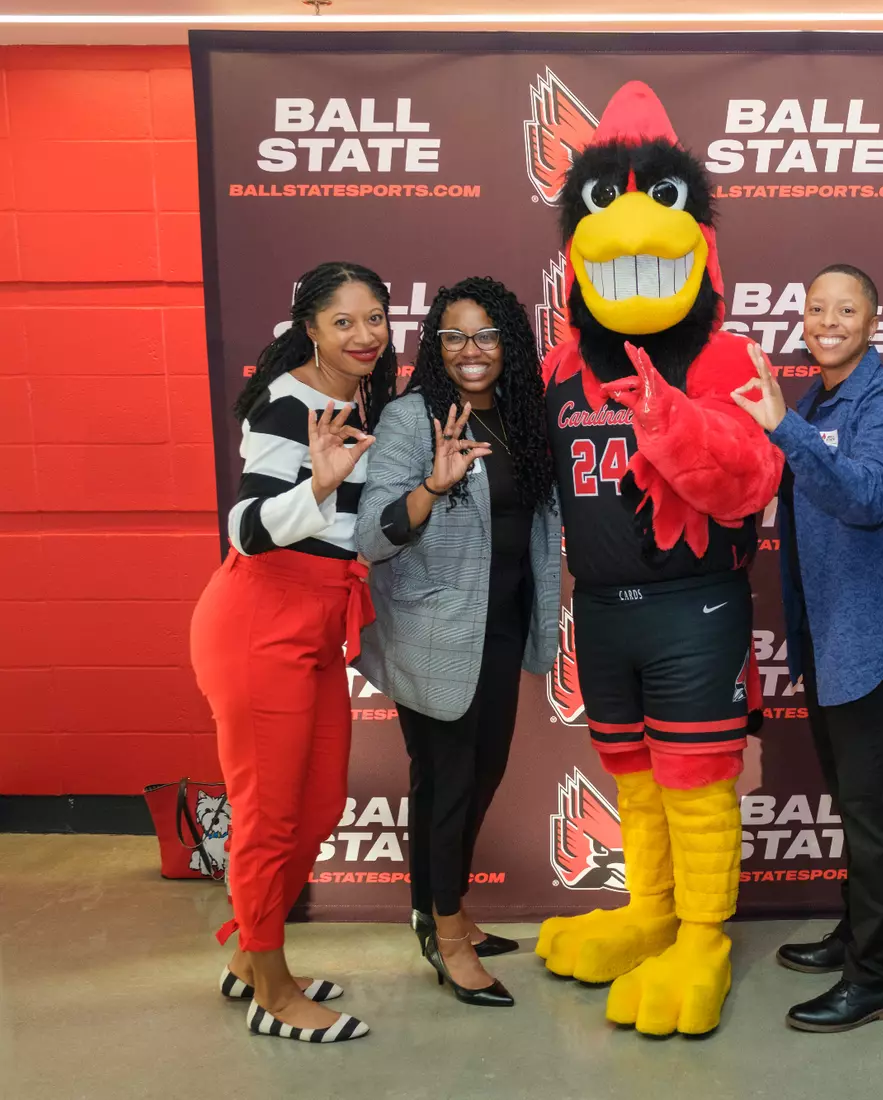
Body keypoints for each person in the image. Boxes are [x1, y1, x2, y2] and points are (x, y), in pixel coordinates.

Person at [530, 81, 784, 1038]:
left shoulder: (725, 358)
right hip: (601, 608)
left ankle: (705, 936)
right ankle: (651, 914)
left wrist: (671, 420)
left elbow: (750, 480)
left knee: (696, 781)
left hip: (695, 606)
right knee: (632, 778)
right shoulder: (562, 365)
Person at [731, 264, 883, 1033]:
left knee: (878, 814)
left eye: (845, 308)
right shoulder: (820, 399)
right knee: (856, 806)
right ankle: (861, 934)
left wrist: (782, 426)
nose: (828, 320)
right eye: (816, 307)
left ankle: (878, 977)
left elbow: (867, 496)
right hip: (833, 636)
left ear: (873, 319)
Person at [190, 261, 399, 1044]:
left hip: (316, 622)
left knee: (314, 808)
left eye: (374, 317)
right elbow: (244, 529)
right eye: (343, 321)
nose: (364, 334)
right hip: (258, 617)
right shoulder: (289, 405)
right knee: (268, 817)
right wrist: (316, 487)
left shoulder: (357, 397)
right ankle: (272, 989)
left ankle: (251, 954)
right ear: (307, 328)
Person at [354, 276, 560, 1008]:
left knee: (477, 777)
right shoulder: (414, 417)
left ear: (508, 342)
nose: (471, 351)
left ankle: (441, 908)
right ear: (434, 345)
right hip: (433, 633)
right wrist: (432, 489)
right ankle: (445, 939)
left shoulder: (517, 417)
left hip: (500, 630)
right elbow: (371, 534)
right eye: (454, 336)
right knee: (450, 788)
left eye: (486, 335)